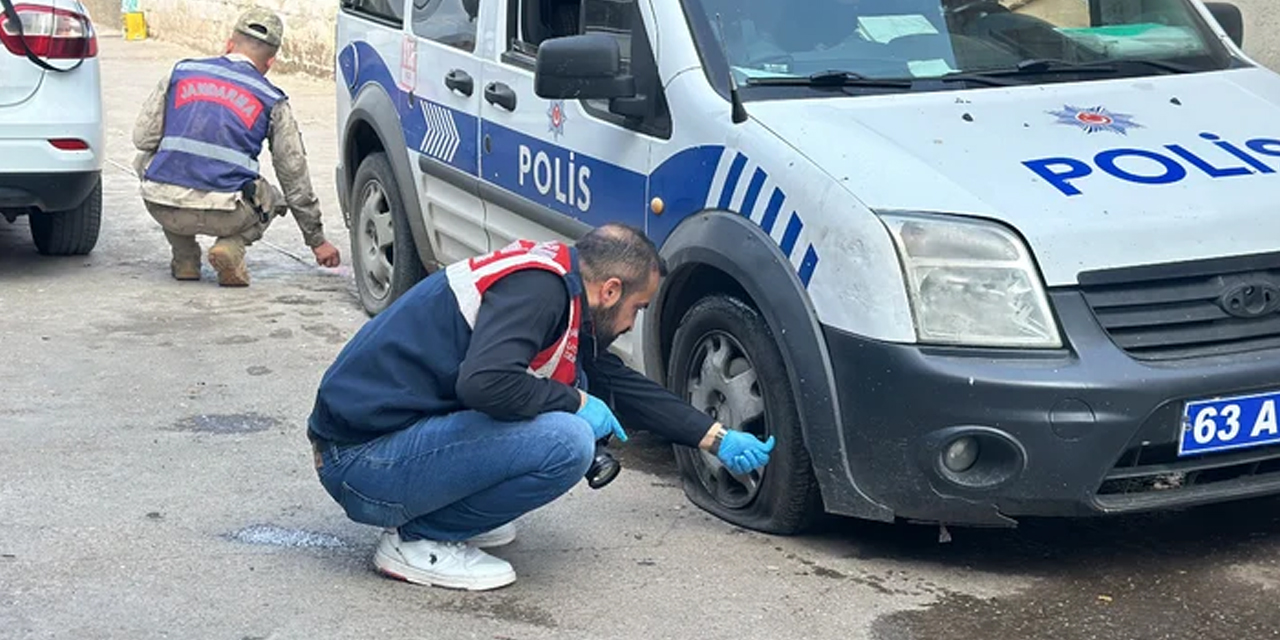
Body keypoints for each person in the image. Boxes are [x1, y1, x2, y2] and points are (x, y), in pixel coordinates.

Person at [306, 223, 777, 591]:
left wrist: (713, 437)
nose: (633, 323)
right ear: (610, 290)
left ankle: (444, 517)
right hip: (359, 462)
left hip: (374, 446)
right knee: (566, 441)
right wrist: (573, 400)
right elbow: (485, 385)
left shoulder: (559, 281)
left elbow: (619, 383)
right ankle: (418, 539)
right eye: (638, 307)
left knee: (574, 396)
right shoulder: (539, 290)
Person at [131, 8, 341, 286]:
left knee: (145, 159)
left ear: (229, 44)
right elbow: (295, 176)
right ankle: (231, 246)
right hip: (227, 214)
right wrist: (317, 241)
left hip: (165, 206)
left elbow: (143, 138)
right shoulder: (271, 99)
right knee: (276, 196)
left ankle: (184, 257)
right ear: (270, 62)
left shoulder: (180, 73)